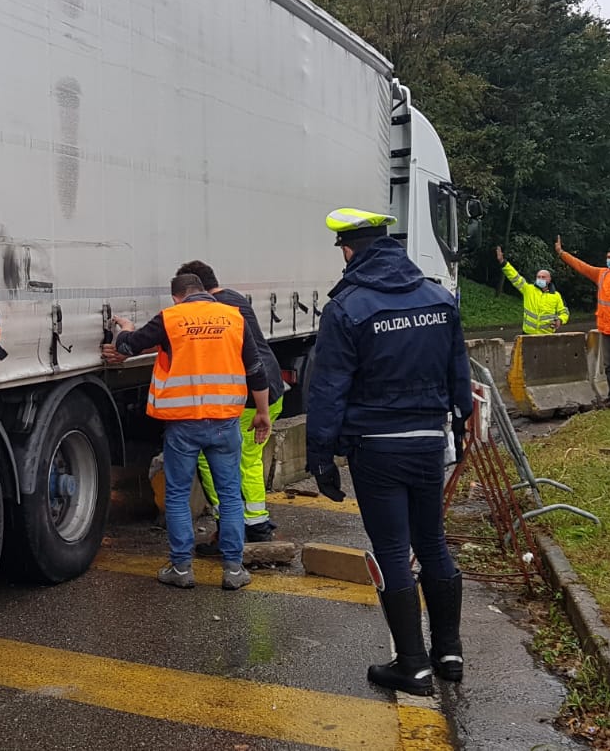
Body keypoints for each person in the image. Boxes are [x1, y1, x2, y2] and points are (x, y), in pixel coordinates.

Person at [306, 208, 471, 697]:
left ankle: (413, 665)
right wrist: (459, 429)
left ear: (350, 250)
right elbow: (457, 370)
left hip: (376, 448)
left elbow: (329, 389)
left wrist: (321, 457)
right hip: (427, 441)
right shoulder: (439, 298)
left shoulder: (348, 308)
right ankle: (449, 653)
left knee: (394, 552)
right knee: (433, 543)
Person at [106, 272, 272, 591]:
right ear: (206, 292)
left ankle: (182, 569)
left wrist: (125, 329)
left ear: (176, 297)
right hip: (225, 424)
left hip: (183, 426)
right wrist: (262, 413)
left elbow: (128, 345)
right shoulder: (233, 317)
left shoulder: (171, 318)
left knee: (179, 495)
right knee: (230, 495)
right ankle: (234, 570)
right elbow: (255, 369)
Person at [174, 260, 285, 545]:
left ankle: (228, 527)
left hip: (247, 394)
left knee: (209, 459)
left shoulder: (213, 310)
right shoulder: (235, 298)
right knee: (249, 459)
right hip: (270, 387)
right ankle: (257, 523)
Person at [554, 236, 610, 409]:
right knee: (609, 366)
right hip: (606, 328)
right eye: (608, 258)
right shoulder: (602, 274)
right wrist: (562, 253)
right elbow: (582, 267)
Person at [495, 246, 570, 335]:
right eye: (538, 277)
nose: (540, 279)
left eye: (543, 277)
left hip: (547, 336)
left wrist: (560, 320)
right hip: (527, 334)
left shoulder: (556, 295)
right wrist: (503, 263)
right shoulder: (528, 289)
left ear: (549, 279)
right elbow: (514, 277)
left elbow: (564, 312)